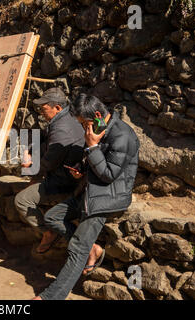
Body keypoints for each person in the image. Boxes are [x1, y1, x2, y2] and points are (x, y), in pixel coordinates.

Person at [33, 94, 140, 300]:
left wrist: (92, 146)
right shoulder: (98, 128)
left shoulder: (122, 136)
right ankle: (93, 249)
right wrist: (80, 168)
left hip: (107, 199)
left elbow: (109, 175)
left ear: (98, 115)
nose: (83, 128)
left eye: (84, 124)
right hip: (89, 192)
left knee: (76, 249)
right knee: (52, 217)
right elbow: (93, 161)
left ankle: (51, 297)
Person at [14, 87, 85, 253]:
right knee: (32, 181)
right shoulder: (66, 118)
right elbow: (46, 141)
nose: (41, 113)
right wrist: (30, 152)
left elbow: (48, 163)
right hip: (62, 173)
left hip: (64, 182)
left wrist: (30, 168)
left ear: (57, 108)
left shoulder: (61, 130)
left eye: (44, 109)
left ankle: (48, 232)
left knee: (21, 200)